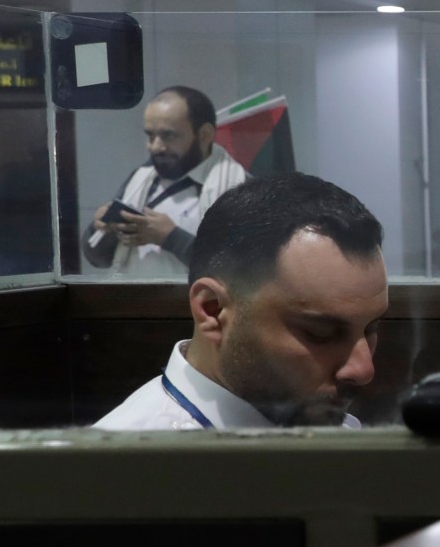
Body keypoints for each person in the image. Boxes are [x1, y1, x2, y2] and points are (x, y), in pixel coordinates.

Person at [95, 174, 388, 430]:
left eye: (371, 329)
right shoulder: (120, 476)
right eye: (320, 333)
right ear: (213, 310)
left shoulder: (341, 431)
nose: (364, 371)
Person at [83, 86, 250, 278]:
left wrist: (170, 237)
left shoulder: (240, 187)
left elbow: (244, 269)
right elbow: (97, 258)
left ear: (204, 135)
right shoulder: (140, 179)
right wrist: (102, 229)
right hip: (135, 303)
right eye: (150, 135)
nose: (156, 147)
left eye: (168, 136)